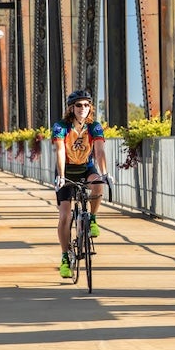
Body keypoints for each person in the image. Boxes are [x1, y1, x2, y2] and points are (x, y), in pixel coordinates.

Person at [52, 90, 109, 278]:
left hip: (86, 167)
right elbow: (60, 150)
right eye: (78, 105)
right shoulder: (61, 126)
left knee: (98, 183)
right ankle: (65, 257)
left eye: (86, 105)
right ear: (71, 108)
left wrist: (106, 173)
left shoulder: (94, 126)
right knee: (65, 216)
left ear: (90, 107)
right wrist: (61, 175)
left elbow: (99, 151)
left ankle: (92, 218)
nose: (82, 108)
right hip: (67, 170)